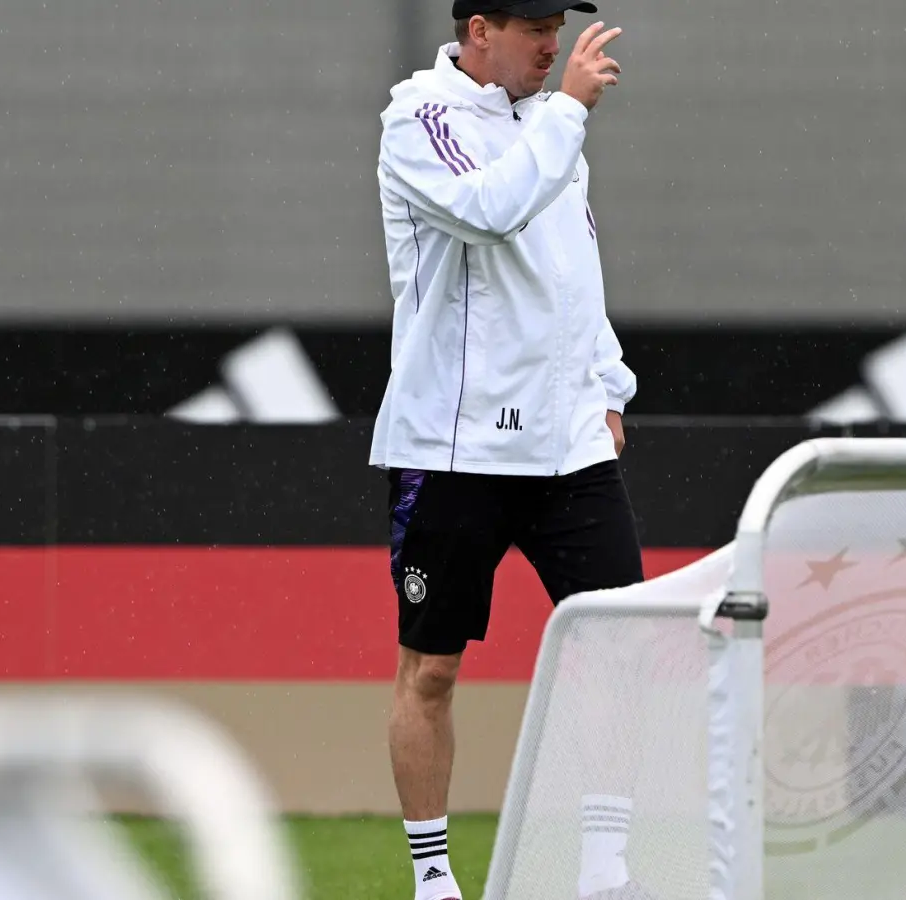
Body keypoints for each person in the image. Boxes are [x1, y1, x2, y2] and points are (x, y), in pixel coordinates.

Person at [369, 2, 650, 898]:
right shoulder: (421, 118)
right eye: (534, 24)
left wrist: (607, 386)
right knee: (434, 669)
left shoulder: (551, 124)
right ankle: (434, 880)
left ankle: (605, 870)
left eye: (557, 24)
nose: (553, 43)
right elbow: (490, 214)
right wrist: (566, 111)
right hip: (455, 444)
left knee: (618, 650)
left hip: (570, 449)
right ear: (479, 28)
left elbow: (575, 267)